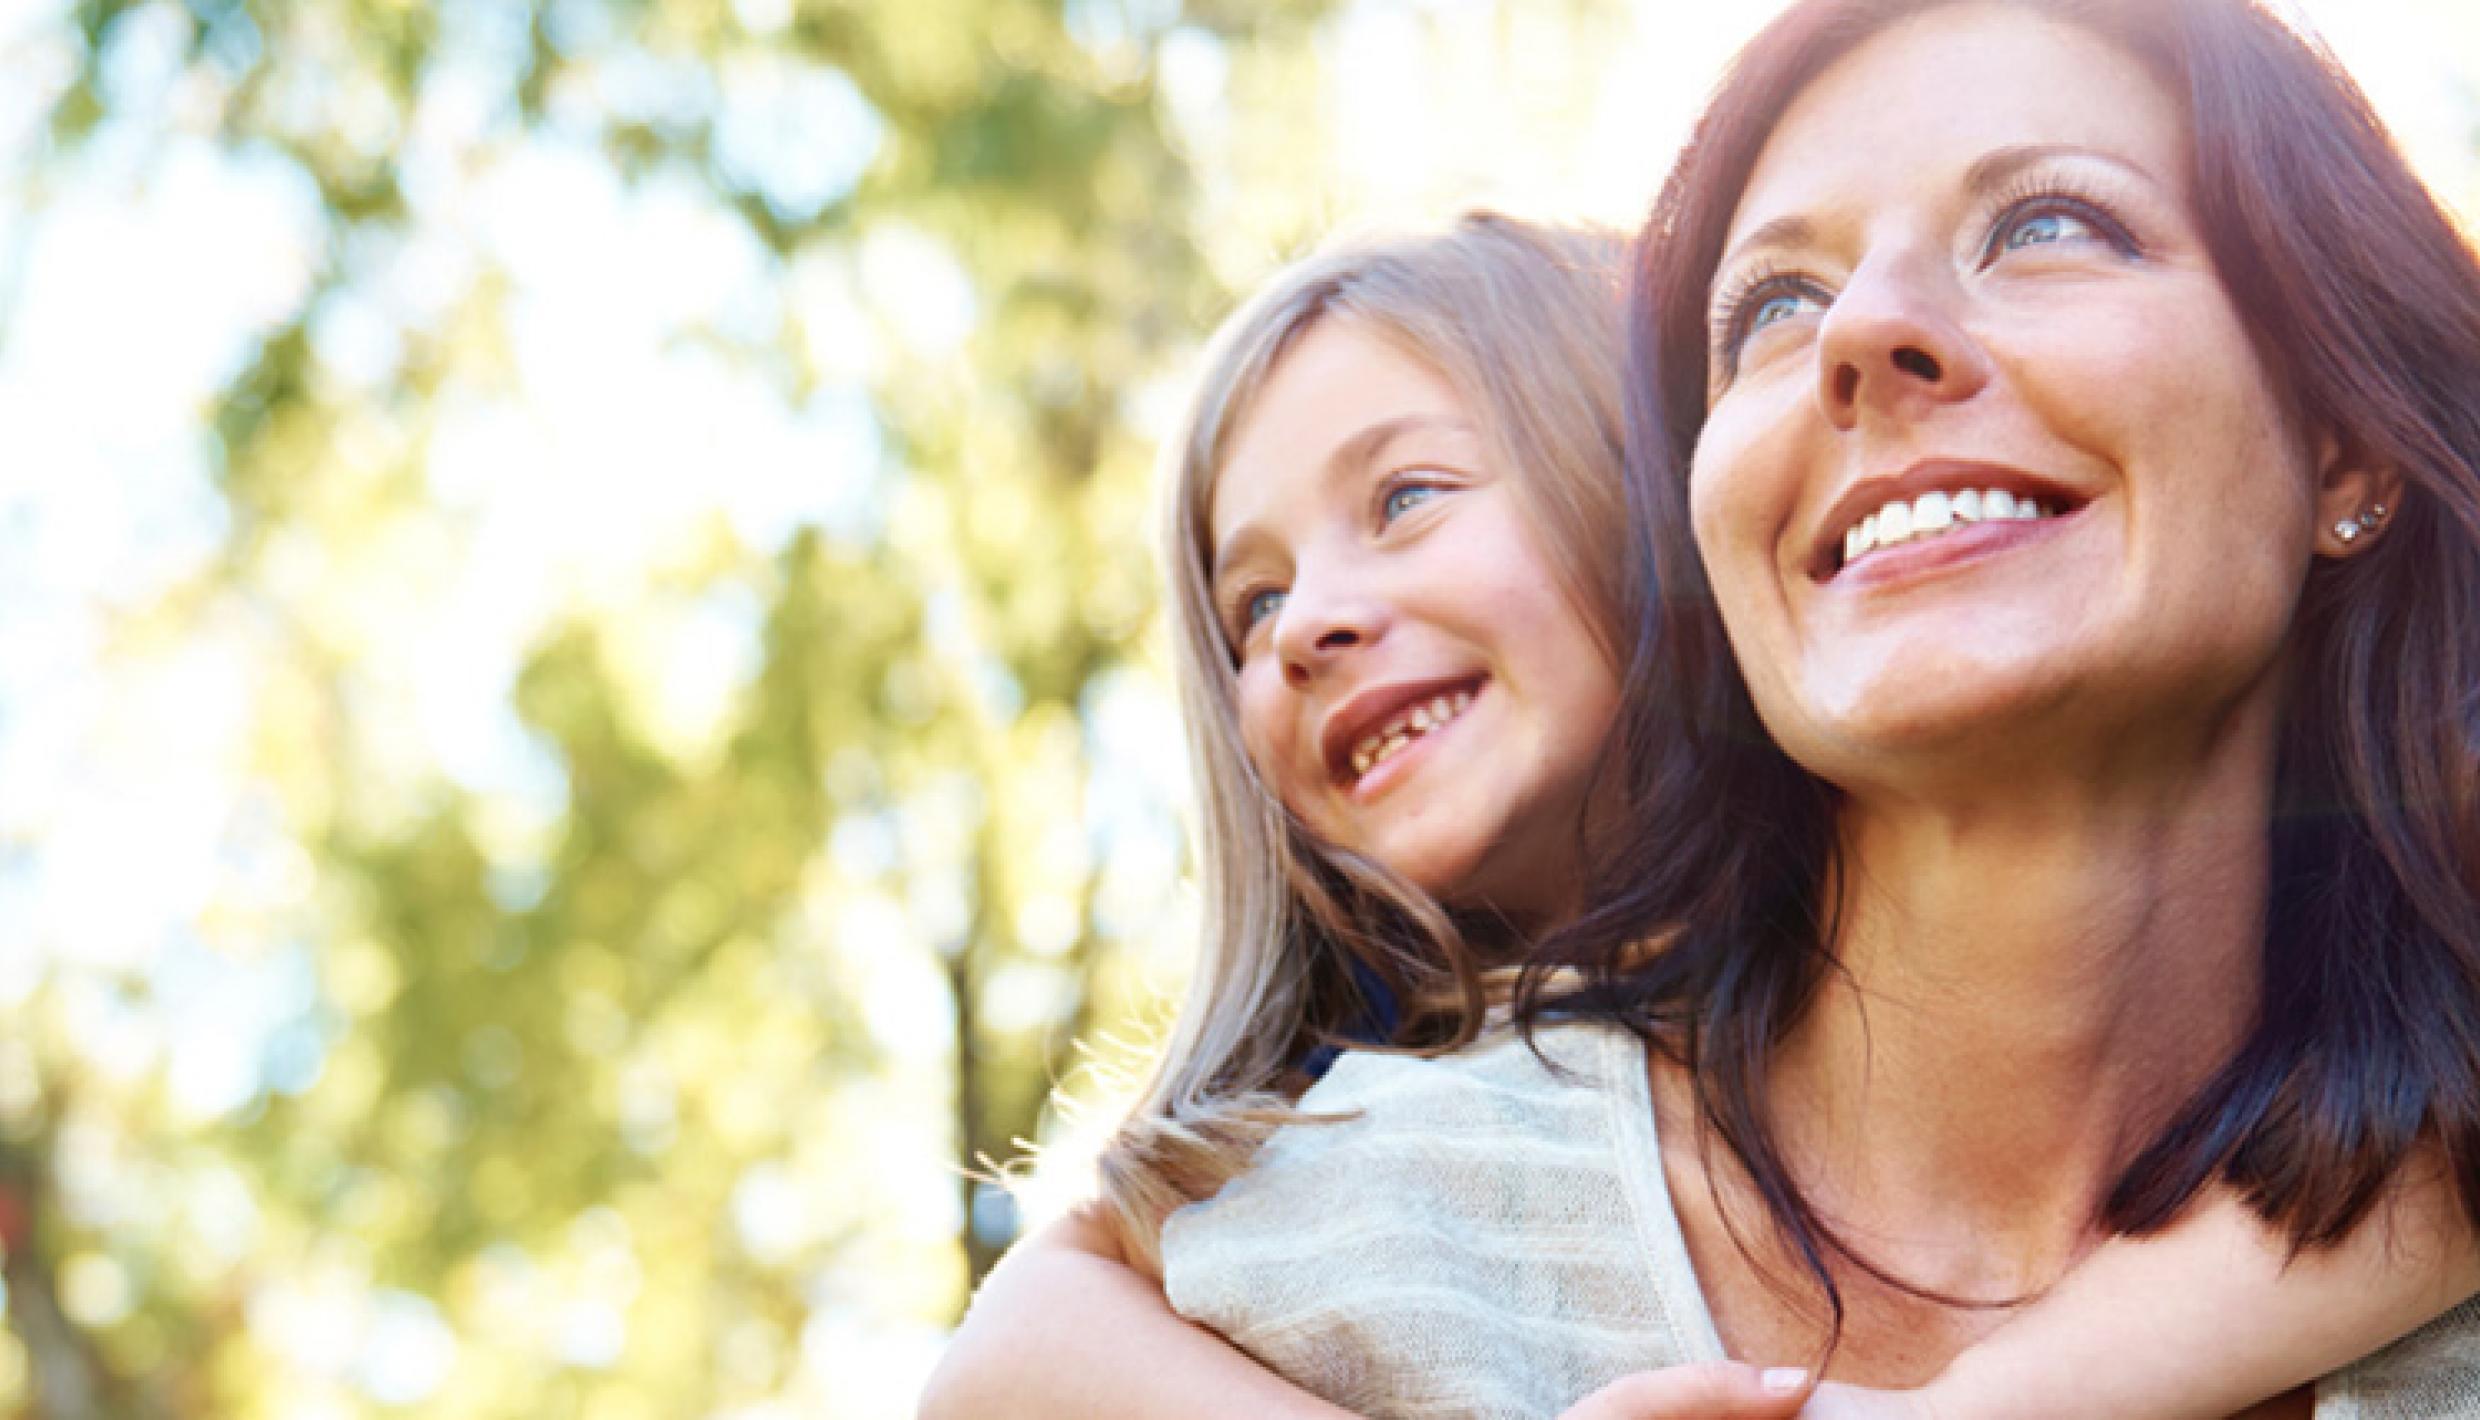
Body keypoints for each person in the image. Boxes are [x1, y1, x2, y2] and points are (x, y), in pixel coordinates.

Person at [922, 99, 2478, 1414]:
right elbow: (1011, 1358)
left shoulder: (2314, 897)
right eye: (1248, 606)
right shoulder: (1365, 1133)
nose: (1309, 626)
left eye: (1405, 500)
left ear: (1656, 496)